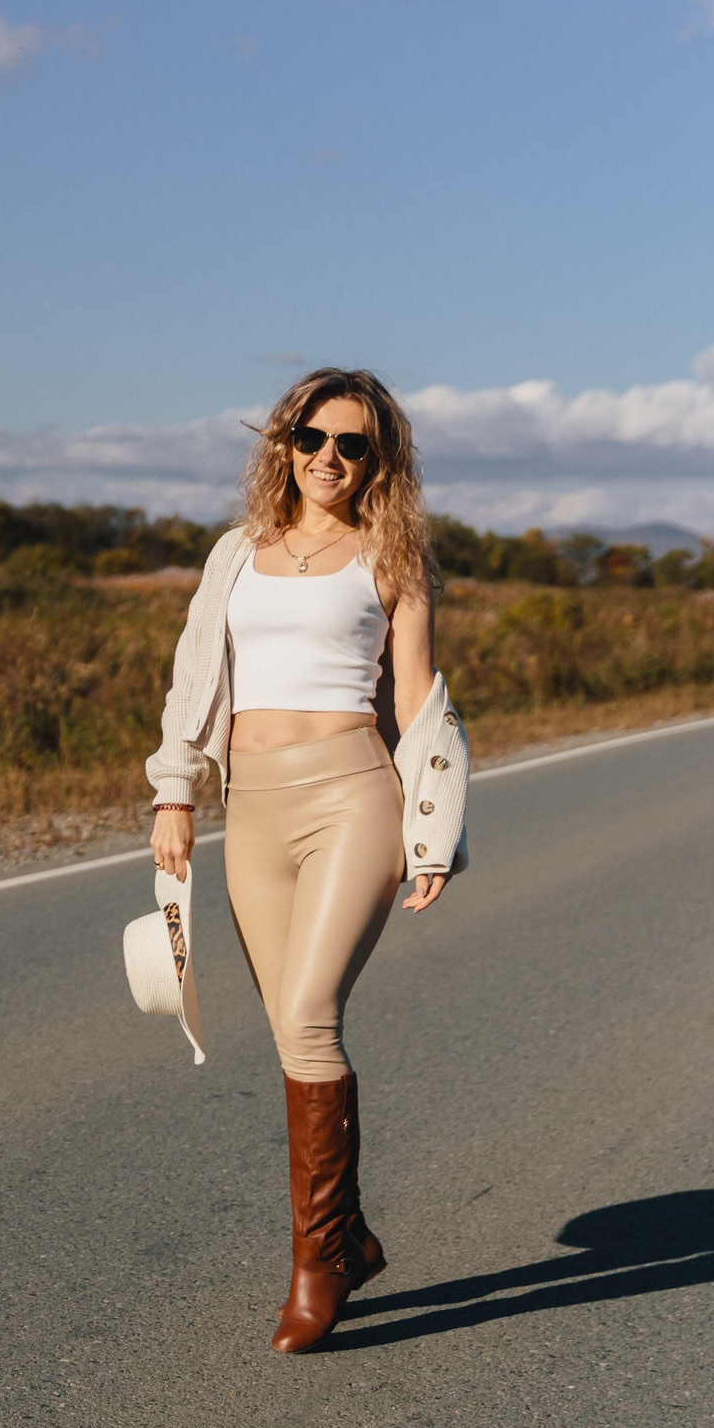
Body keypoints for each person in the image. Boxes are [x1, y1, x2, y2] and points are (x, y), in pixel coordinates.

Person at [144, 367, 470, 1353]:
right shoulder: (236, 553)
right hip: (250, 807)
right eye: (313, 438)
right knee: (286, 1032)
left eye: (354, 445)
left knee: (309, 1016)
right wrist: (172, 789)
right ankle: (351, 1239)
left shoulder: (390, 555)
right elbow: (193, 673)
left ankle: (314, 1263)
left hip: (350, 797)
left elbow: (414, 697)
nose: (330, 458)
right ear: (283, 443)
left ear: (380, 460)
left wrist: (436, 828)